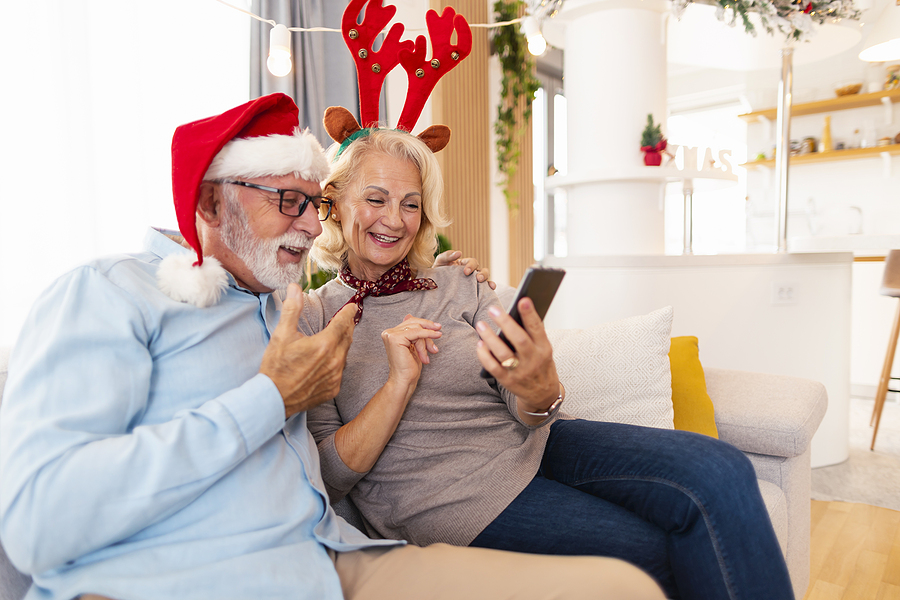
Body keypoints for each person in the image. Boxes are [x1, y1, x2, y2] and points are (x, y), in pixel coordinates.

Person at [0, 93, 664, 600]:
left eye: (312, 202)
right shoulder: (110, 294)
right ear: (209, 202)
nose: (312, 223)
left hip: (334, 557)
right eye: (289, 200)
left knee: (624, 587)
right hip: (205, 573)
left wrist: (533, 383)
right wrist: (270, 398)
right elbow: (36, 524)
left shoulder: (281, 306)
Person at [302, 125, 796, 600]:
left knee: (722, 468)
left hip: (538, 444)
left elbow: (526, 407)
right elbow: (328, 474)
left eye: (411, 203)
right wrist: (397, 385)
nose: (395, 218)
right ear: (335, 201)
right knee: (651, 553)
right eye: (375, 198)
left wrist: (538, 388)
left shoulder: (459, 282)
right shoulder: (316, 316)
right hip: (449, 498)